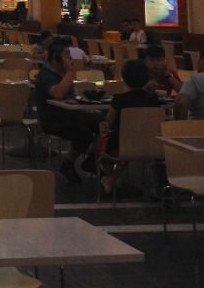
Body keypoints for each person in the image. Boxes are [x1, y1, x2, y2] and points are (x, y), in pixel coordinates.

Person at [34, 39, 102, 184]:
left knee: (103, 122)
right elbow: (58, 93)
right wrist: (71, 72)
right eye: (66, 55)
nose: (70, 59)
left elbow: (66, 96)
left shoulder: (62, 73)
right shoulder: (46, 75)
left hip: (70, 114)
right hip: (53, 120)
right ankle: (68, 163)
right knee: (84, 134)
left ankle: (91, 159)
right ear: (55, 58)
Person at [97, 59, 161, 195]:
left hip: (120, 147)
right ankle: (112, 179)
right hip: (150, 145)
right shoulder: (153, 99)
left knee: (99, 144)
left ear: (124, 78)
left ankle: (110, 178)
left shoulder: (119, 99)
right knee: (130, 145)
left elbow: (109, 122)